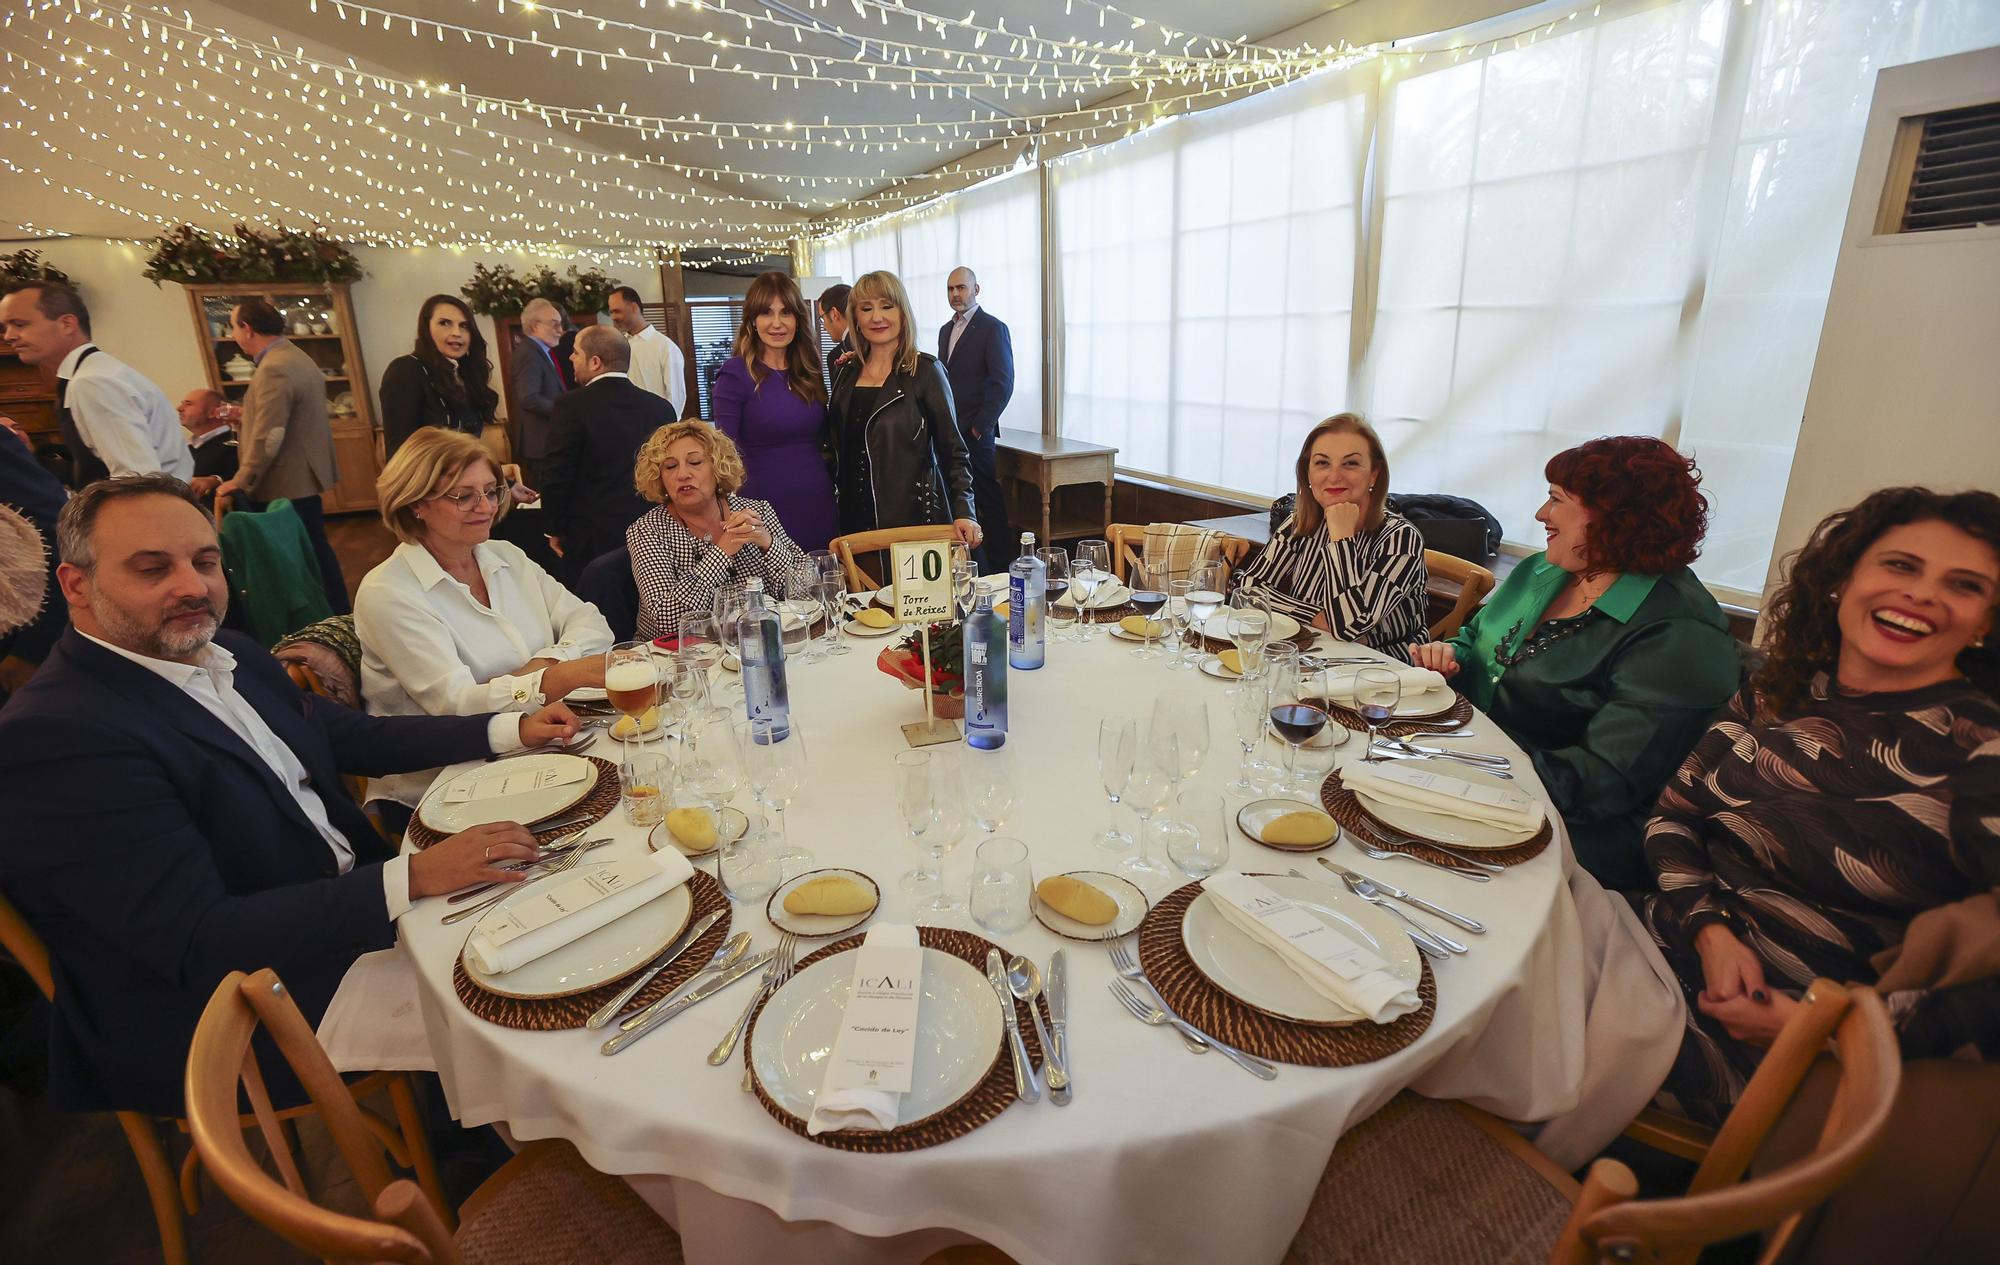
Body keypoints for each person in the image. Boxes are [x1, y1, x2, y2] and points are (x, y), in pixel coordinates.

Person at [0, 475, 578, 1115]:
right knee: (536, 1000)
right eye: (151, 568)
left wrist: (510, 728)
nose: (192, 586)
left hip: (334, 912)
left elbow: (348, 736)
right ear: (76, 585)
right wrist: (409, 877)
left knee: (559, 901)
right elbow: (199, 940)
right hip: (236, 1003)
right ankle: (481, 1157)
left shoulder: (227, 654)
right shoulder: (60, 736)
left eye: (205, 562)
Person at [1641, 487, 2000, 1126]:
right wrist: (1712, 930)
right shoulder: (1781, 687)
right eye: (1901, 565)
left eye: (1964, 584)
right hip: (1653, 944)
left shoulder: (1981, 755)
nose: (1921, 594)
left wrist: (1828, 1026)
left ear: (1986, 624)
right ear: (1841, 580)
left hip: (1755, 1045)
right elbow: (1674, 816)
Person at [1409, 436, 1740, 889]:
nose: (1542, 515)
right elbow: (1475, 640)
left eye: (1556, 500)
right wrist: (1450, 658)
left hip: (1579, 833)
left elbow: (1600, 783)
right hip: (1485, 780)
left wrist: (1451, 765)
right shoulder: (1544, 571)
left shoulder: (1678, 633)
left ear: (1613, 516)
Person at [355, 429, 611, 818]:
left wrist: (545, 665)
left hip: (534, 744)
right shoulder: (389, 593)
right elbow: (456, 706)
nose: (486, 507)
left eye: (492, 491)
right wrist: (558, 678)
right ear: (415, 504)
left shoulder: (504, 556)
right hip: (444, 781)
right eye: (464, 496)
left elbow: (591, 623)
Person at [1232, 414, 1429, 655]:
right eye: (1322, 463)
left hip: (1384, 672)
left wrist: (1341, 539)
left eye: (1351, 463)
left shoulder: (1401, 539)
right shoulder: (1300, 522)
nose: (1334, 476)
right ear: (1308, 473)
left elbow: (1348, 627)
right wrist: (1316, 616)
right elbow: (1248, 589)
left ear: (1374, 474)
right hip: (1311, 655)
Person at [825, 270, 979, 549]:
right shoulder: (846, 373)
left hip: (914, 521)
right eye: (866, 308)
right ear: (855, 318)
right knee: (864, 594)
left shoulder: (926, 372)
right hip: (854, 521)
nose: (876, 317)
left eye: (887, 306)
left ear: (902, 313)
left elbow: (954, 450)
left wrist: (965, 511)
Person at [215, 298, 349, 615]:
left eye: (234, 326)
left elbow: (270, 435)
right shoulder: (294, 356)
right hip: (303, 474)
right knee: (315, 548)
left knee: (299, 556)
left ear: (246, 328)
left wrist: (242, 480)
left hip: (286, 479)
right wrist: (247, 415)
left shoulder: (274, 368)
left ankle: (323, 616)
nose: (234, 334)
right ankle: (337, 610)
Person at [627, 420, 810, 642]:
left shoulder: (757, 511)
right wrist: (722, 551)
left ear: (718, 467)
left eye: (695, 462)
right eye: (670, 466)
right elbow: (668, 620)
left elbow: (805, 593)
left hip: (758, 644)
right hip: (678, 660)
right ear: (660, 477)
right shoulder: (647, 530)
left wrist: (768, 543)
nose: (683, 474)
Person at [0, 281, 192, 487]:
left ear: (67, 324)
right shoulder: (97, 372)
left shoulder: (92, 381)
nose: (9, 336)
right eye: (5, 327)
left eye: (20, 324)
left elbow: (137, 478)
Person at [712, 271, 838, 554]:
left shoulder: (809, 371)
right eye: (767, 313)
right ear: (753, 321)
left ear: (798, 320)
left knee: (821, 587)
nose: (777, 323)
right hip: (761, 506)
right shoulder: (735, 374)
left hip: (817, 500)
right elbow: (722, 452)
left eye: (786, 313)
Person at [542, 325, 676, 582]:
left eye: (575, 353)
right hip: (653, 530)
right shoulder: (661, 408)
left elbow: (557, 471)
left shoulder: (571, 406)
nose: (570, 358)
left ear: (595, 362)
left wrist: (552, 527)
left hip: (591, 534)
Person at [938, 266, 1015, 569]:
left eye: (961, 288)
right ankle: (970, 566)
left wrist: (979, 428)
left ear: (976, 290)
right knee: (960, 503)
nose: (956, 294)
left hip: (975, 433)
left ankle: (1000, 567)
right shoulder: (946, 330)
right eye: (950, 289)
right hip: (949, 431)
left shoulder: (993, 328)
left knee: (987, 499)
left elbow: (1003, 383)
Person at [379, 294, 497, 457]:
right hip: (429, 479)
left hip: (466, 476)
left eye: (464, 326)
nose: (457, 332)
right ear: (426, 328)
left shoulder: (464, 374)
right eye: (445, 323)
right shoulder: (407, 369)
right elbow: (399, 452)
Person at [509, 296, 567, 490]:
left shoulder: (537, 351)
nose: (560, 330)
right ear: (535, 326)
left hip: (543, 444)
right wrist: (565, 410)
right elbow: (529, 397)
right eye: (554, 325)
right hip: (539, 446)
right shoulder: (529, 353)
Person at [608, 285, 688, 417]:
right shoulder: (618, 345)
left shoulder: (665, 347)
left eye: (617, 311)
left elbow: (675, 396)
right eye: (611, 312)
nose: (613, 317)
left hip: (657, 427)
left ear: (633, 308)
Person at [178, 387, 238, 498]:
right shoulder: (186, 447)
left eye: (188, 404)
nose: (179, 408)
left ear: (212, 412)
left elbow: (245, 482)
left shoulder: (235, 444)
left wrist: (216, 481)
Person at [818, 283, 857, 375]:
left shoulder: (835, 356)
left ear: (834, 314)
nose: (823, 327)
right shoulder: (876, 344)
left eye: (822, 318)